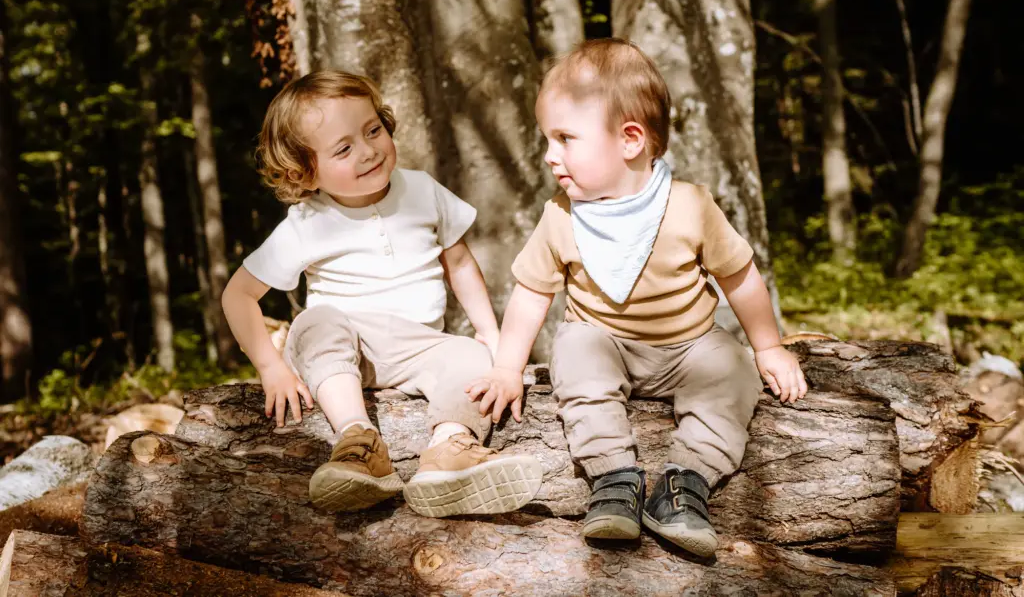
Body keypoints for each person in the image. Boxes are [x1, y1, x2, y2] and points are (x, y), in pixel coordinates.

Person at [467, 39, 807, 556]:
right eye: (547, 139)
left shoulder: (690, 205)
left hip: (689, 345)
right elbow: (532, 294)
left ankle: (685, 483)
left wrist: (768, 347)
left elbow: (740, 276)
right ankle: (614, 481)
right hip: (606, 343)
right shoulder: (561, 214)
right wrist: (508, 367)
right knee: (575, 348)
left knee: (732, 367)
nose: (549, 155)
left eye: (564, 138)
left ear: (630, 140)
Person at [222, 70, 542, 518]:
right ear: (306, 172)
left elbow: (460, 263)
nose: (369, 150)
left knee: (471, 356)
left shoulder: (422, 190)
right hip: (346, 346)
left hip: (422, 345)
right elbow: (238, 295)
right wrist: (271, 367)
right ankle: (358, 443)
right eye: (344, 148)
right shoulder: (306, 223)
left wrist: (490, 333)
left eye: (373, 130)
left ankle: (449, 450)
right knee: (316, 323)